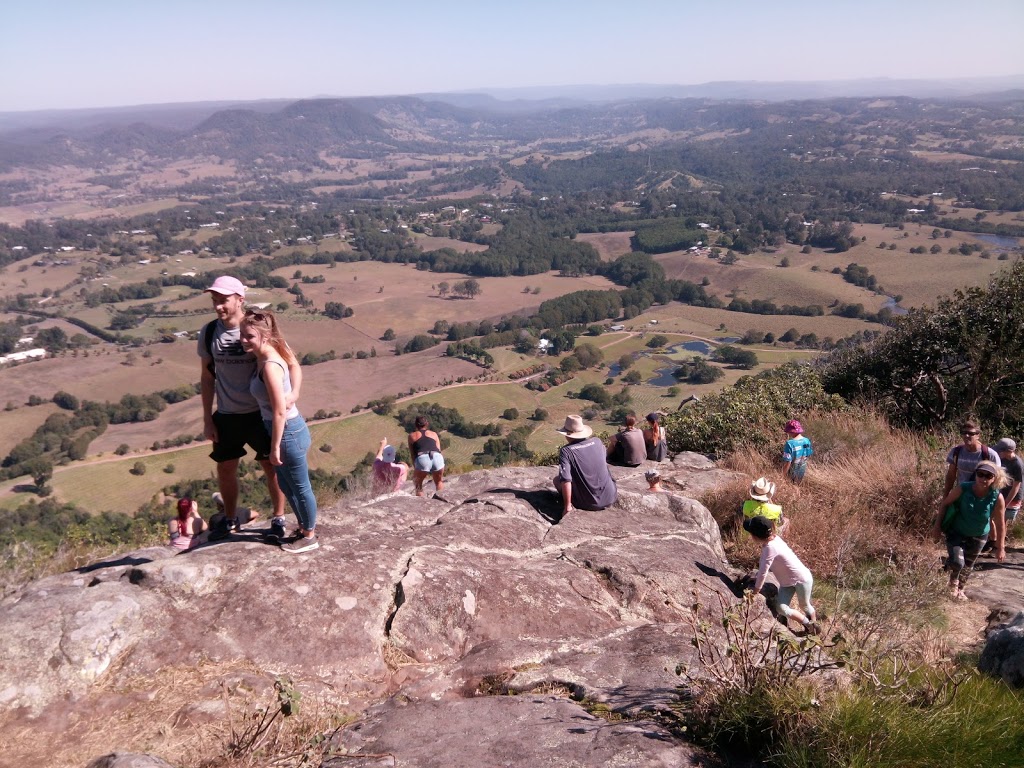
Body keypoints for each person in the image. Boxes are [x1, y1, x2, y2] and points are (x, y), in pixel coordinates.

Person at [198, 276, 302, 541]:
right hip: (227, 414)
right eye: (215, 301)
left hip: (260, 414)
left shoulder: (257, 328)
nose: (218, 306)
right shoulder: (210, 332)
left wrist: (294, 395)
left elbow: (291, 363)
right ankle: (231, 519)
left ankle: (278, 518)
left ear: (239, 300)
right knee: (225, 468)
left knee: (272, 467)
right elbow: (207, 377)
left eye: (224, 301)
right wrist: (208, 419)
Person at [240, 308, 319, 553]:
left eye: (249, 336)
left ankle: (309, 536)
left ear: (264, 336)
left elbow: (279, 411)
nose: (243, 340)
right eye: (242, 334)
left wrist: (274, 447)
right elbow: (294, 366)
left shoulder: (270, 365)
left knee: (300, 486)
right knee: (287, 486)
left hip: (287, 433)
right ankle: (305, 527)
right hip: (284, 431)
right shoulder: (267, 353)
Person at [932, 459, 1006, 600]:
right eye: (980, 474)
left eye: (988, 476)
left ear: (994, 479)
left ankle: (960, 590)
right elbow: (944, 504)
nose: (983, 479)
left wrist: (1000, 547)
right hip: (957, 531)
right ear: (975, 474)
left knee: (968, 564)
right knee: (958, 562)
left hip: (979, 534)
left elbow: (1001, 523)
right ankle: (953, 584)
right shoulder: (963, 488)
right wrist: (937, 527)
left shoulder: (997, 497)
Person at [743, 515, 819, 635]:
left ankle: (814, 624)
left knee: (804, 605)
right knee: (781, 608)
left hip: (802, 580)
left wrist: (756, 590)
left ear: (755, 536)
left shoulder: (770, 548)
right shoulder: (774, 539)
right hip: (787, 583)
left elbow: (763, 571)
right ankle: (807, 624)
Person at [554, 415, 617, 515]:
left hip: (588, 504)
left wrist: (567, 507)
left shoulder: (566, 451)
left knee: (557, 480)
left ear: (567, 435)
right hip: (611, 497)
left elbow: (566, 480)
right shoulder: (597, 441)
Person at [943, 418, 1000, 496]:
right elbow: (951, 476)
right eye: (964, 432)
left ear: (978, 435)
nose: (966, 435)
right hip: (961, 497)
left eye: (970, 433)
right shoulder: (956, 452)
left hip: (981, 498)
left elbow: (998, 479)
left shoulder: (990, 454)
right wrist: (946, 496)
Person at [408, 415, 444, 497]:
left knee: (418, 484)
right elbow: (439, 450)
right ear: (427, 423)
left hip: (422, 458)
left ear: (416, 425)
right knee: (439, 481)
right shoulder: (434, 434)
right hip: (436, 456)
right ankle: (442, 500)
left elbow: (412, 454)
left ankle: (422, 505)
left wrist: (416, 467)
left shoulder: (411, 436)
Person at [994, 438, 1023, 526]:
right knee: (996, 519)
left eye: (1000, 451)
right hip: (1002, 493)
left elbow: (1016, 487)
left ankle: (999, 539)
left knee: (1002, 520)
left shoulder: (1018, 464)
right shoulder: (1002, 459)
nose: (998, 453)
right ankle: (995, 538)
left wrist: (1005, 504)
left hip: (1012, 498)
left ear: (1009, 451)